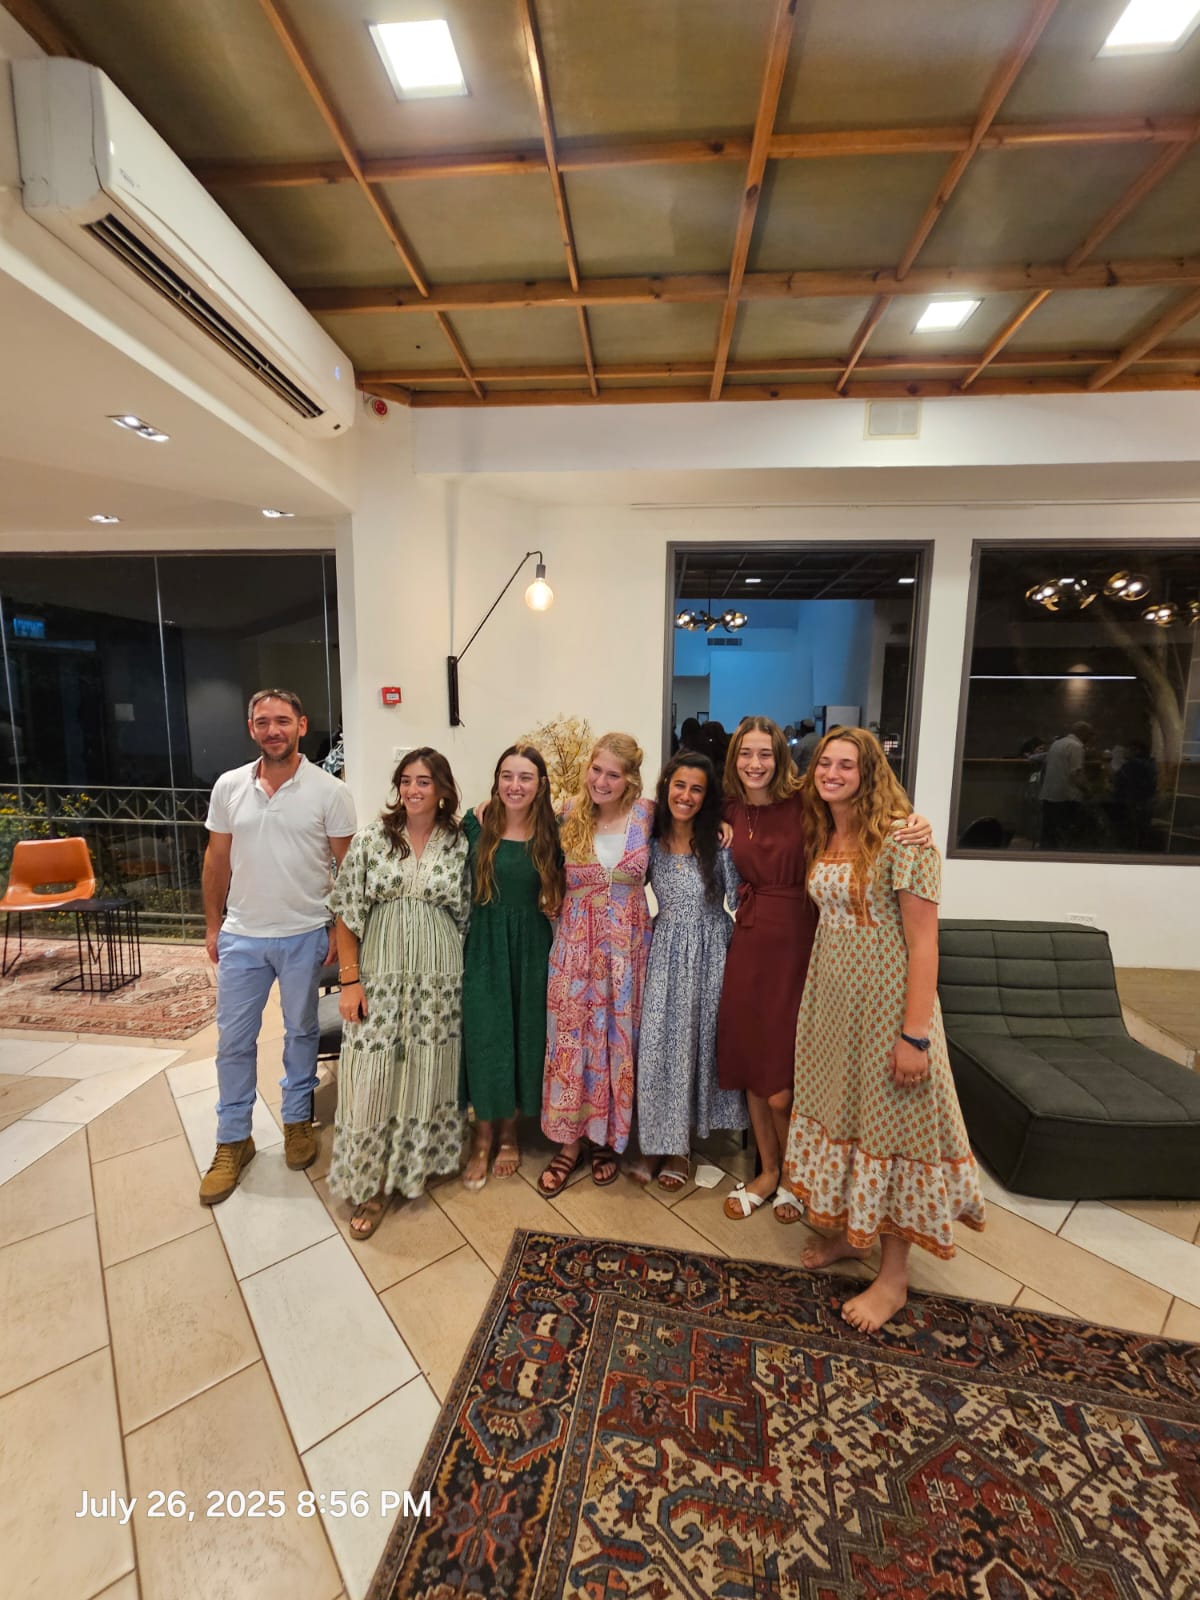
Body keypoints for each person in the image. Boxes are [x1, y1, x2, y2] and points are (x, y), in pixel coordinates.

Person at [784, 727, 985, 1332]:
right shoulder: (825, 829)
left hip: (888, 1012)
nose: (832, 773)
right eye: (825, 762)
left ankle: (893, 1278)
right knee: (848, 1120)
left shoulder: (904, 839)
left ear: (869, 773)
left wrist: (914, 1036)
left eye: (846, 765)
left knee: (892, 1131)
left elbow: (925, 943)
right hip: (832, 1010)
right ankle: (853, 1235)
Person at [716, 717, 929, 1224]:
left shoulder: (805, 801)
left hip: (805, 943)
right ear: (733, 758)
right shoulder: (728, 809)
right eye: (745, 753)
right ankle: (768, 1172)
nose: (754, 763)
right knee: (752, 1066)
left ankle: (799, 1177)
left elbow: (863, 811)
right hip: (749, 942)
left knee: (786, 1082)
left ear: (781, 758)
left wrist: (916, 821)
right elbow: (669, 812)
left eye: (765, 753)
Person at [199, 689, 356, 1204]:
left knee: (302, 1033)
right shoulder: (229, 786)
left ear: (301, 726)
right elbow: (216, 860)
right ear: (251, 728)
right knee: (234, 1042)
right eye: (263, 722)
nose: (273, 730)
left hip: (304, 933)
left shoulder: (330, 791)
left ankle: (296, 1122)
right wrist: (213, 925)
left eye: (283, 721)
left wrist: (337, 929)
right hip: (242, 936)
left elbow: (348, 870)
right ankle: (233, 1139)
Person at [327, 748, 470, 1238]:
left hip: (438, 976)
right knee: (373, 1077)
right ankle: (370, 1185)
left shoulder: (459, 843)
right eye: (406, 780)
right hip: (380, 975)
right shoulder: (372, 839)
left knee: (428, 1069)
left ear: (443, 789)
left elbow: (466, 913)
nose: (412, 789)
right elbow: (347, 911)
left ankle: (415, 1166)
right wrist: (350, 980)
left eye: (423, 781)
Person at [539, 732, 653, 1193]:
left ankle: (604, 1139)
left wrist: (722, 825)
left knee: (614, 1044)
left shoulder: (647, 816)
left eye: (613, 774)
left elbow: (697, 818)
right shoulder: (567, 813)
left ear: (630, 780)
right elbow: (517, 817)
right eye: (596, 769)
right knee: (571, 1042)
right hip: (574, 951)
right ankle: (569, 1143)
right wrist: (481, 810)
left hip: (626, 954)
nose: (601, 781)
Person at [638, 752, 746, 1189]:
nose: (685, 795)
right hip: (665, 951)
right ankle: (659, 1139)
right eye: (679, 785)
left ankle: (681, 1148)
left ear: (707, 797)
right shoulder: (648, 838)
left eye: (696, 789)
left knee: (697, 1047)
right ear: (666, 786)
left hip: (712, 952)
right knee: (660, 1047)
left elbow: (740, 899)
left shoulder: (718, 843)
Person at [460, 744, 563, 1189]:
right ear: (497, 780)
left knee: (525, 1037)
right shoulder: (475, 824)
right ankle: (482, 1134)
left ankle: (509, 1132)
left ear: (541, 785)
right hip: (485, 944)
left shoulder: (554, 832)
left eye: (525, 777)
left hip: (533, 948)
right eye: (507, 775)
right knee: (486, 1037)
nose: (514, 785)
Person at [1040, 721, 1092, 850]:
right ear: (1082, 732)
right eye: (1089, 734)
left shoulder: (1056, 744)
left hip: (1049, 794)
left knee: (1049, 835)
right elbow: (1076, 774)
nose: (1090, 738)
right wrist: (1087, 790)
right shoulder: (1076, 747)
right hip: (1067, 797)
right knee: (1067, 836)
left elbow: (1046, 766)